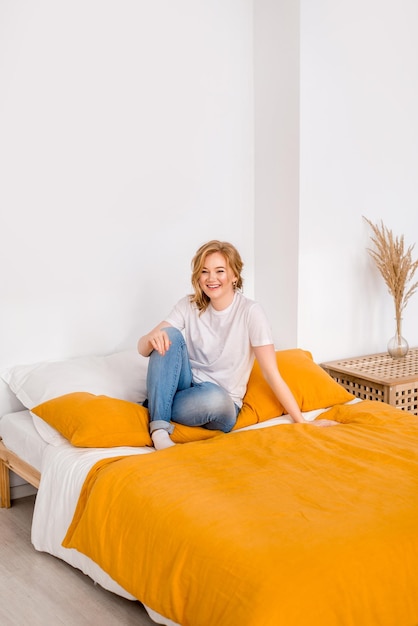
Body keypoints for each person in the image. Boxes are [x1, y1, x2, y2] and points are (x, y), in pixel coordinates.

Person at [138, 240, 338, 450]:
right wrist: (151, 339)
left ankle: (155, 403)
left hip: (221, 403)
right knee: (167, 334)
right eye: (204, 271)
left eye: (220, 271)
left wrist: (303, 422)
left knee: (214, 398)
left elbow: (271, 374)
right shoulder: (188, 305)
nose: (211, 278)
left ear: (234, 276)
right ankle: (159, 431)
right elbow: (142, 348)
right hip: (187, 388)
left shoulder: (251, 312)